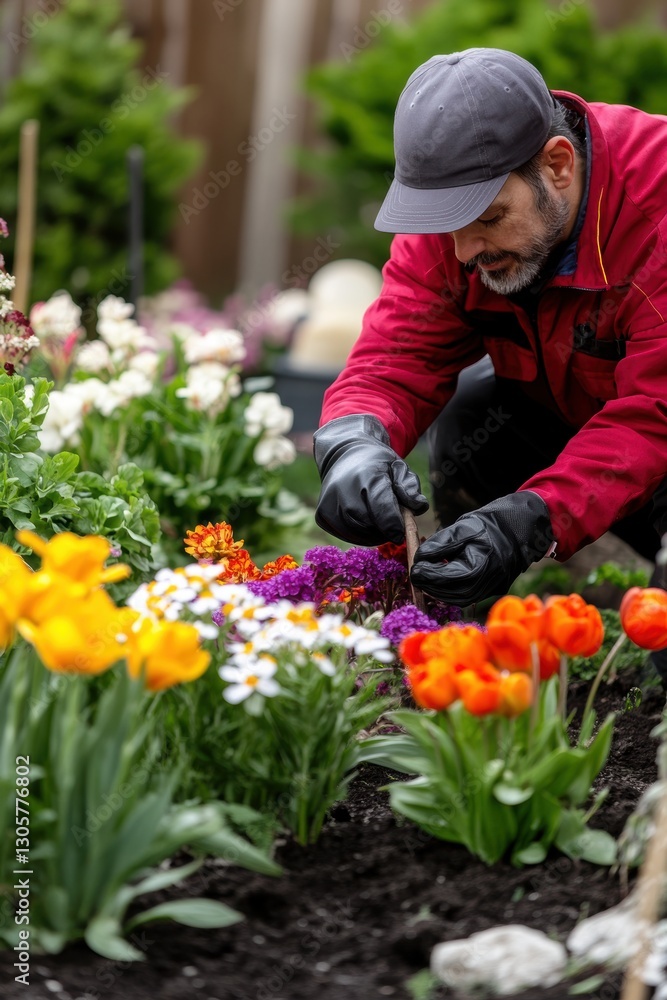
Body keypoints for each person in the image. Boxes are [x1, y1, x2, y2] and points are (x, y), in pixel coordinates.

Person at [312, 47, 667, 626]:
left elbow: (655, 413)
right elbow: (397, 354)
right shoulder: (455, 217)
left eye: (489, 218)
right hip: (595, 430)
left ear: (557, 165)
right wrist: (354, 438)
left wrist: (536, 517)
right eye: (446, 225)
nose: (462, 251)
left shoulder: (657, 213)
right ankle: (462, 637)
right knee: (474, 422)